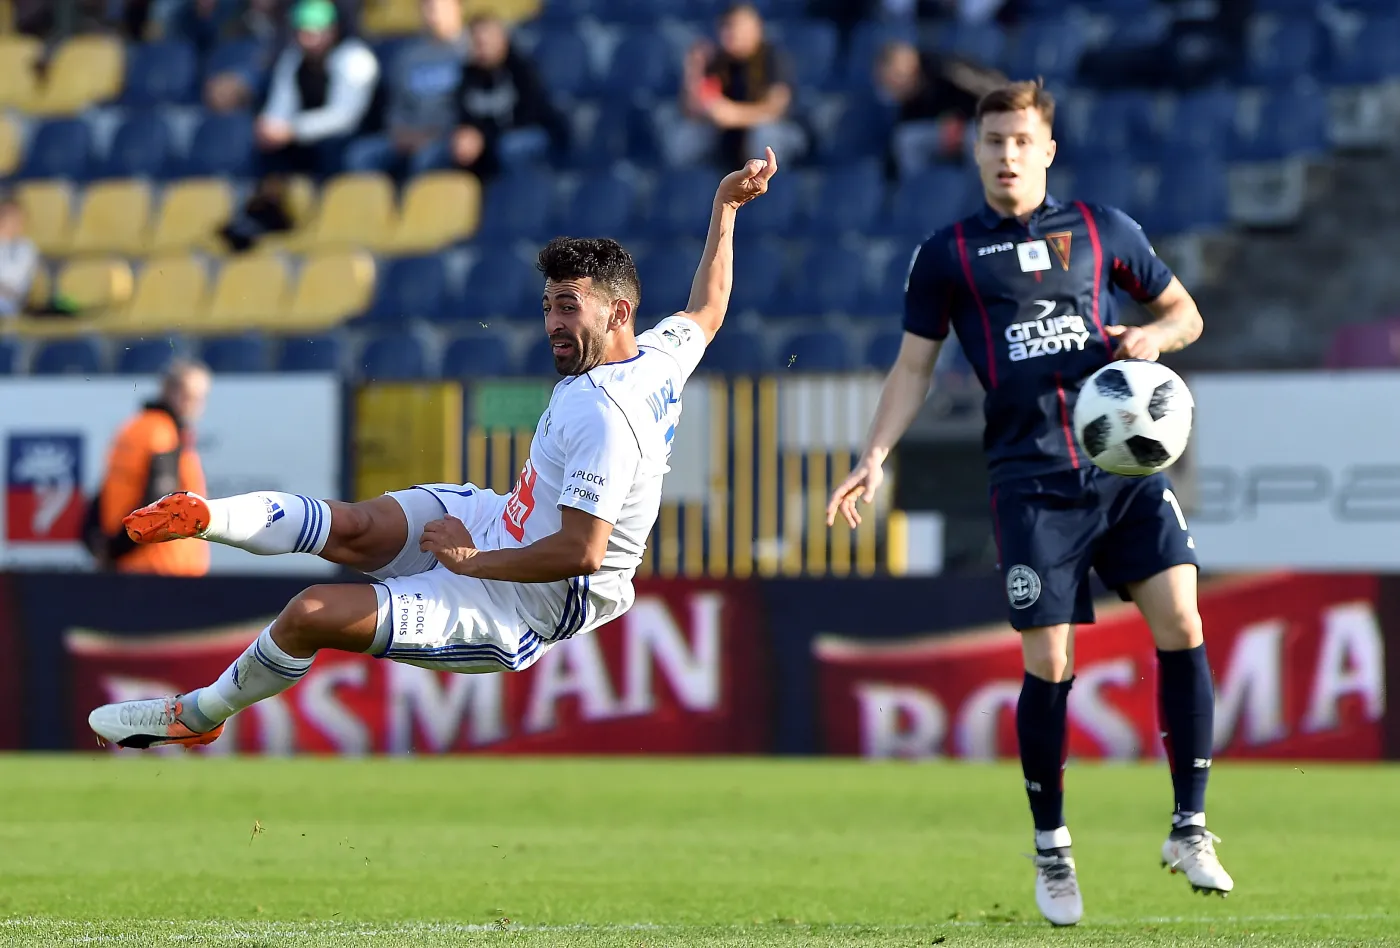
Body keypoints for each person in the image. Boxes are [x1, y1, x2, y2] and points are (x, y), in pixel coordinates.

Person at [87, 148, 780, 751]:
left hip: (522, 604)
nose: (553, 324)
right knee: (352, 527)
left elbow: (583, 553)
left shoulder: (608, 413)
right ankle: (204, 516)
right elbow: (708, 311)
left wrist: (470, 561)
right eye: (547, 306)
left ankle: (198, 714)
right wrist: (726, 208)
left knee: (309, 614)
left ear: (617, 312)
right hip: (494, 523)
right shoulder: (654, 358)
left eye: (569, 306)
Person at [825, 80, 1230, 926]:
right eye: (992, 142)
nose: (1007, 155)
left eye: (1020, 141)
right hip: (1030, 483)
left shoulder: (1101, 230)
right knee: (1051, 665)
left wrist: (1154, 335)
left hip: (1120, 470)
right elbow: (912, 369)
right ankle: (1053, 848)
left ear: (1047, 150)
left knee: (1184, 623)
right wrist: (872, 457)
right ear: (976, 153)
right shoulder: (948, 255)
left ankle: (1190, 826)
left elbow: (1184, 310)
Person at [86, 360, 213, 576]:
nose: (195, 405)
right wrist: (117, 549)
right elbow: (159, 502)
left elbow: (105, 494)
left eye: (200, 398)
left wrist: (109, 550)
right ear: (168, 391)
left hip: (130, 565)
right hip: (165, 567)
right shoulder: (164, 434)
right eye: (190, 396)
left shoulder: (133, 428)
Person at [341, 0, 471, 180]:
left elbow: (472, 106)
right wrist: (402, 133)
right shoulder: (408, 57)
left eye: (438, 7)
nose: (431, 14)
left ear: (458, 7)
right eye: (426, 7)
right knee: (360, 155)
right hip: (409, 135)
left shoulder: (471, 51)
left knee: (427, 157)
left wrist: (436, 135)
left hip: (448, 137)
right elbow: (396, 107)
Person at [255, 0, 379, 179]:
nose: (308, 40)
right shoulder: (293, 59)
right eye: (303, 33)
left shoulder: (355, 58)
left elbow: (345, 119)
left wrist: (292, 130)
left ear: (332, 30)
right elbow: (280, 107)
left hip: (352, 137)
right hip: (304, 137)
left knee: (332, 149)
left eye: (315, 33)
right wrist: (270, 127)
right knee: (267, 150)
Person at [437, 15, 566, 181]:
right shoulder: (467, 75)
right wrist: (464, 137)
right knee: (444, 151)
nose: (483, 45)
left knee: (510, 147)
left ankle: (515, 200)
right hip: (488, 140)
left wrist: (484, 138)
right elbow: (463, 117)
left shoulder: (522, 68)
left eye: (487, 39)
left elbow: (530, 115)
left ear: (502, 38)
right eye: (477, 41)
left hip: (532, 132)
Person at [676, 3, 803, 170]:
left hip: (782, 132)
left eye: (737, 26)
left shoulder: (773, 57)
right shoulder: (718, 61)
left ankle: (764, 185)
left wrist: (733, 115)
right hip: (730, 136)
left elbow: (775, 109)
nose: (731, 33)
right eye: (726, 27)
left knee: (764, 136)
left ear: (756, 28)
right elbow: (693, 110)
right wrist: (694, 71)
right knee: (686, 136)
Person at [0, 198, 39, 320]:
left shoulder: (26, 248)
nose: (17, 225)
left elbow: (14, 283)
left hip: (9, 303)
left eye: (20, 221)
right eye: (12, 220)